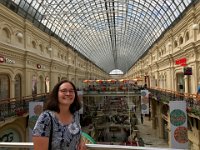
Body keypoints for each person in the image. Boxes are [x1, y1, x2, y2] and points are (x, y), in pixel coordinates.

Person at [32, 80, 86, 150]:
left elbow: (77, 130)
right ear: (56, 94)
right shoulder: (46, 118)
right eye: (63, 91)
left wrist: (81, 140)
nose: (68, 93)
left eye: (71, 91)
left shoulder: (75, 114)